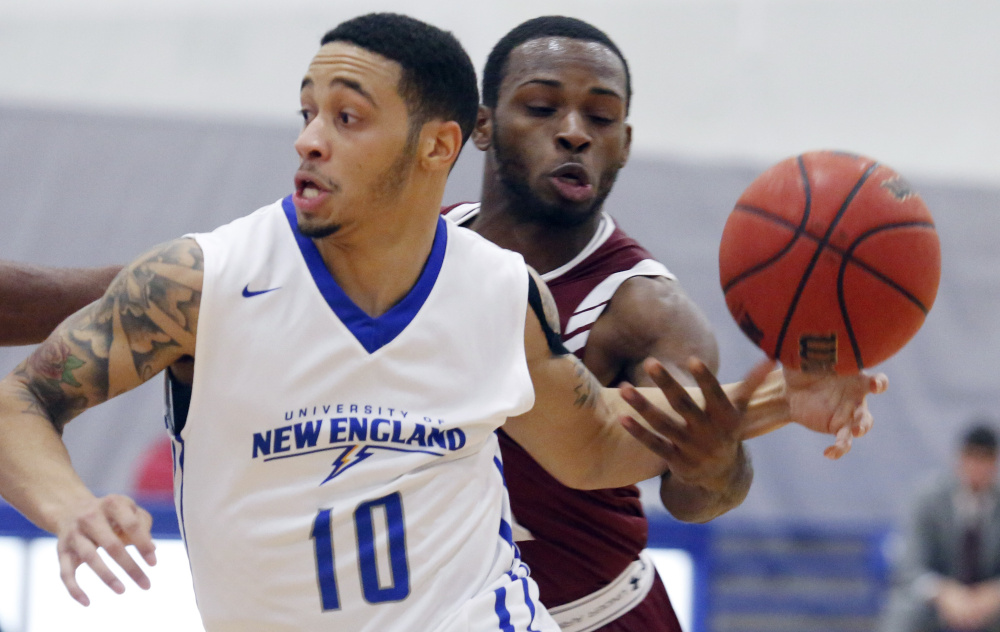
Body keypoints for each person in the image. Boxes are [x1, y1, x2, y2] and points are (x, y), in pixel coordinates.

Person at [0, 11, 884, 632]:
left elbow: (599, 449)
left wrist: (777, 403)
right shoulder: (208, 276)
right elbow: (23, 401)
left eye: (346, 117)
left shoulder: (503, 295)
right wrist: (68, 506)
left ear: (439, 146)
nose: (310, 138)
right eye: (307, 111)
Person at [442, 15, 734, 631]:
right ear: (483, 125)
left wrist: (716, 466)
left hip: (590, 617)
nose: (573, 133)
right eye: (543, 107)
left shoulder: (646, 311)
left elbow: (697, 497)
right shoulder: (417, 248)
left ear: (624, 143)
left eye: (600, 119)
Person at [879, 422, 1000, 632]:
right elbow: (910, 565)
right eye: (972, 456)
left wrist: (994, 594)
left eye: (986, 458)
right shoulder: (928, 498)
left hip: (990, 604)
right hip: (937, 601)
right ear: (960, 458)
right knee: (905, 611)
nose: (978, 466)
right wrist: (943, 592)